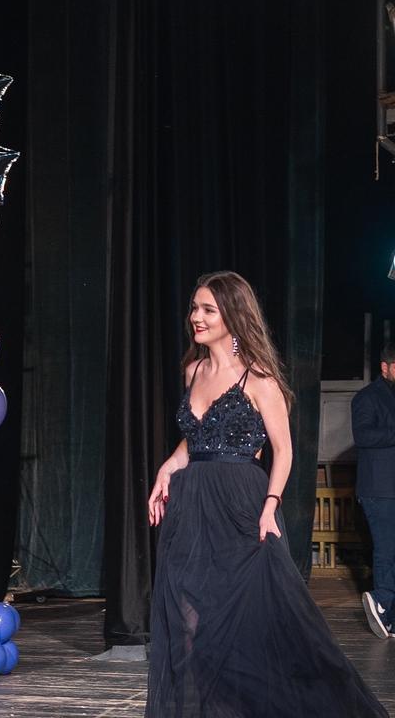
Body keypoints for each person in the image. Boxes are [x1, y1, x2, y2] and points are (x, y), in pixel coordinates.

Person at [145, 271, 387, 717]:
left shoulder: (259, 379)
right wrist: (167, 467)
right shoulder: (193, 371)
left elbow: (284, 450)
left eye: (208, 310)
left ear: (233, 316)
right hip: (192, 504)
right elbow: (196, 439)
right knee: (189, 614)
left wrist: (270, 505)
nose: (196, 317)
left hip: (241, 501)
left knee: (251, 620)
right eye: (195, 308)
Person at [352, 342, 395, 639]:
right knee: (387, 550)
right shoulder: (367, 397)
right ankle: (381, 602)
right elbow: (363, 436)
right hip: (379, 489)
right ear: (385, 367)